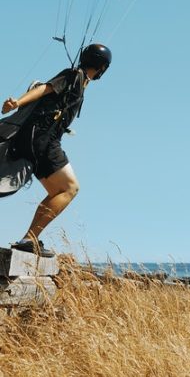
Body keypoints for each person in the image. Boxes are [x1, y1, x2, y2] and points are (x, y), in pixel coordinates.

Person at [1, 43, 112, 257]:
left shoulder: (80, 81)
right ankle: (28, 239)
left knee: (58, 191)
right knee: (70, 188)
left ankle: (28, 239)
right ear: (102, 67)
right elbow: (45, 88)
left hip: (38, 138)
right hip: (42, 138)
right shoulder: (73, 75)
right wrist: (16, 103)